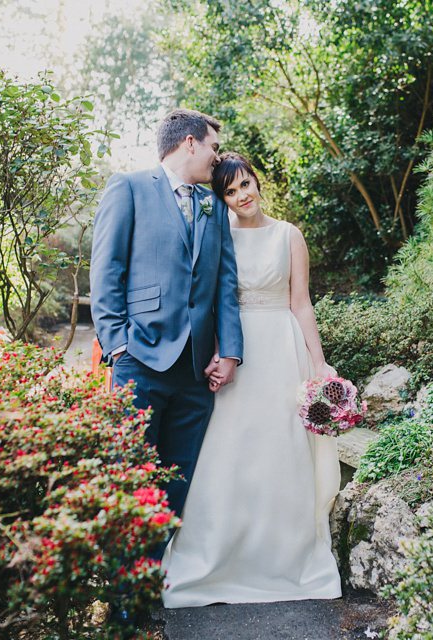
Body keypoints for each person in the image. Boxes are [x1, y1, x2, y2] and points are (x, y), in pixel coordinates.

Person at [161, 152, 342, 608]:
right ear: (221, 198)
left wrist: (318, 362)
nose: (242, 196)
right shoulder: (218, 235)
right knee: (229, 450)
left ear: (257, 183)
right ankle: (218, 557)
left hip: (283, 349)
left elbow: (301, 302)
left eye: (246, 184)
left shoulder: (288, 234)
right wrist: (220, 351)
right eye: (230, 191)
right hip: (236, 352)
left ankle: (285, 557)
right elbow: (210, 299)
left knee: (282, 448)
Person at [89, 109, 244, 529]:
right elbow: (106, 272)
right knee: (131, 476)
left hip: (197, 373)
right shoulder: (130, 188)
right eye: (213, 147)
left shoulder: (214, 206)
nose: (217, 157)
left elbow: (224, 284)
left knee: (176, 482)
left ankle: (153, 580)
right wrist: (118, 346)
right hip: (140, 360)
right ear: (189, 142)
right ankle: (124, 589)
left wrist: (229, 352)